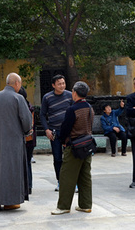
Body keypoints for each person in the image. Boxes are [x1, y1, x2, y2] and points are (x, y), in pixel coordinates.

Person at [0, 73, 33, 211]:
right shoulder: (18, 98)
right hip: (13, 140)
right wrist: (25, 131)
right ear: (17, 83)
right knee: (11, 169)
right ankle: (9, 202)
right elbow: (26, 121)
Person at [51, 81, 94, 215]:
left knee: (66, 177)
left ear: (74, 93)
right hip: (87, 146)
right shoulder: (89, 107)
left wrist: (63, 141)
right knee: (85, 176)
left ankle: (63, 206)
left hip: (74, 146)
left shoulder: (72, 109)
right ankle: (85, 205)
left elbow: (65, 128)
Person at [40, 74, 73, 191]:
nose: (62, 85)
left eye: (63, 83)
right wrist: (46, 129)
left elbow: (74, 112)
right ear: (53, 85)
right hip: (54, 131)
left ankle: (73, 182)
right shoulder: (47, 97)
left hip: (69, 132)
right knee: (57, 158)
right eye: (59, 84)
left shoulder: (70, 96)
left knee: (70, 157)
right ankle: (60, 181)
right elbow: (42, 114)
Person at [19, 86, 36, 194]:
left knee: (22, 163)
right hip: (31, 139)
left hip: (24, 139)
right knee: (28, 163)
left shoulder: (22, 107)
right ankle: (28, 186)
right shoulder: (30, 106)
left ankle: (24, 186)